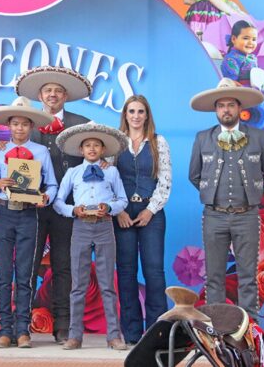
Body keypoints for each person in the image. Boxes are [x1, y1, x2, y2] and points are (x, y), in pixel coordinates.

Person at [14, 65, 93, 344]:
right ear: (40, 95)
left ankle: (63, 325)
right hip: (30, 208)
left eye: (58, 91)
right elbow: (6, 155)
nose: (52, 95)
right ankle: (20, 327)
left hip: (66, 208)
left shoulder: (81, 123)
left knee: (63, 265)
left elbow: (94, 159)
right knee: (27, 265)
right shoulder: (25, 123)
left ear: (65, 96)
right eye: (48, 91)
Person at [189, 78, 264, 320]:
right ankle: (217, 326)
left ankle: (249, 329)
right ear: (215, 110)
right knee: (214, 275)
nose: (225, 110)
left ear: (240, 109)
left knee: (248, 275)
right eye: (221, 105)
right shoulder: (202, 138)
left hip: (247, 215)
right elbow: (194, 175)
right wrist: (211, 196)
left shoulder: (258, 137)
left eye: (230, 105)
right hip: (214, 215)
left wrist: (252, 196)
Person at [0, 96, 57, 349]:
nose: (19, 128)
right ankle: (4, 331)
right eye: (15, 123)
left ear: (31, 126)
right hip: (4, 212)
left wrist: (46, 197)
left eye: (24, 124)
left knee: (25, 274)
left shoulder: (41, 152)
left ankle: (23, 330)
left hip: (29, 214)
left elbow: (51, 184)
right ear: (8, 125)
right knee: (4, 273)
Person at [53, 122, 129, 351]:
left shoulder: (111, 171)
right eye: (88, 145)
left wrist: (110, 207)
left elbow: (122, 201)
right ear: (81, 150)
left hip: (105, 227)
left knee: (107, 285)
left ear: (103, 150)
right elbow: (57, 201)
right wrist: (73, 210)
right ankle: (75, 336)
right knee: (78, 285)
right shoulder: (73, 173)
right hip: (81, 227)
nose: (92, 149)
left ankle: (113, 336)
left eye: (97, 145)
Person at [114, 95, 172, 345]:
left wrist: (150, 210)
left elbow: (165, 180)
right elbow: (107, 180)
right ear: (125, 115)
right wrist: (119, 212)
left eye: (140, 111)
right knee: (126, 272)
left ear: (147, 115)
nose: (136, 116)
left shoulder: (159, 142)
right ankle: (132, 333)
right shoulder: (114, 143)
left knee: (154, 272)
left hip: (152, 214)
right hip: (123, 214)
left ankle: (156, 332)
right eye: (131, 111)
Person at [221, 20, 258, 86]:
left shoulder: (252, 57)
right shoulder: (230, 59)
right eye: (246, 38)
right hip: (241, 93)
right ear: (234, 39)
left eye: (254, 39)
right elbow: (232, 83)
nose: (251, 42)